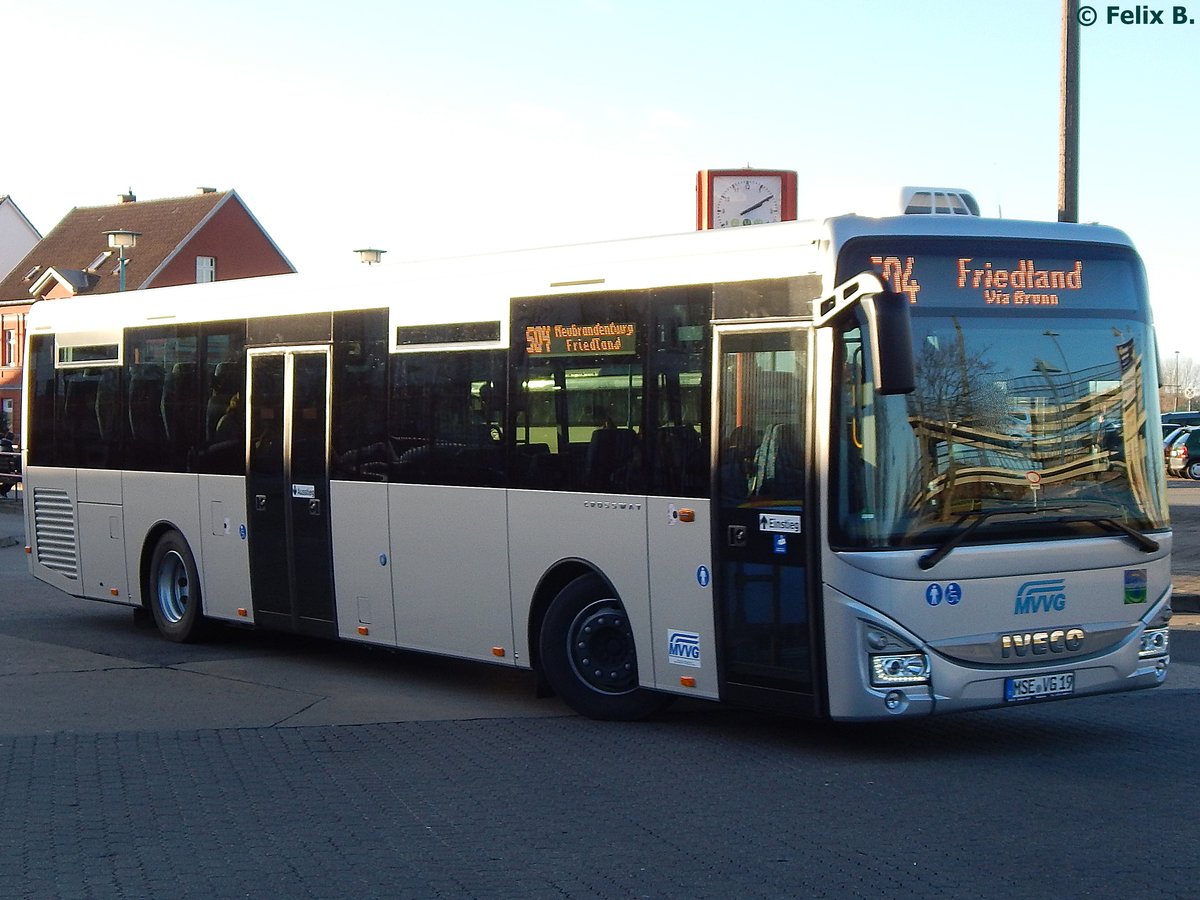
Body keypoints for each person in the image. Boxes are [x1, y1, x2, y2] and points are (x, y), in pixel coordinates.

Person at [0, 431, 15, 498]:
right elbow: (13, 460)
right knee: (15, 478)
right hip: (6, 472)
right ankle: (2, 490)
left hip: (2, 471)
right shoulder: (9, 449)